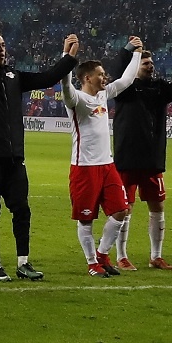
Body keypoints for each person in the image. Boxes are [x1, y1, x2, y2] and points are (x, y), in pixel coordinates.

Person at [0, 17, 77, 281]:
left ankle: (23, 263)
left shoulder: (14, 76)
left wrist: (69, 58)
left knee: (21, 210)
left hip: (15, 159)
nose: (1, 49)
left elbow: (47, 78)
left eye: (2, 45)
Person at [107, 37, 172, 271]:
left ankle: (156, 256)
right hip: (127, 158)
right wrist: (128, 51)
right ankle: (121, 256)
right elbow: (116, 75)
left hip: (152, 158)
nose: (151, 66)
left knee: (158, 206)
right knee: (125, 208)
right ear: (135, 67)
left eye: (152, 62)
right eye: (146, 63)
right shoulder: (124, 90)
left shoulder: (159, 89)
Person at [63, 53, 141, 277]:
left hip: (107, 165)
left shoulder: (104, 95)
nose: (104, 77)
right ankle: (91, 264)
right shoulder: (76, 99)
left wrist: (136, 53)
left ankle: (102, 255)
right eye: (100, 74)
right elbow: (65, 86)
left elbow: (126, 80)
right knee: (86, 219)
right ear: (87, 78)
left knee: (120, 211)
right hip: (84, 168)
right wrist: (67, 57)